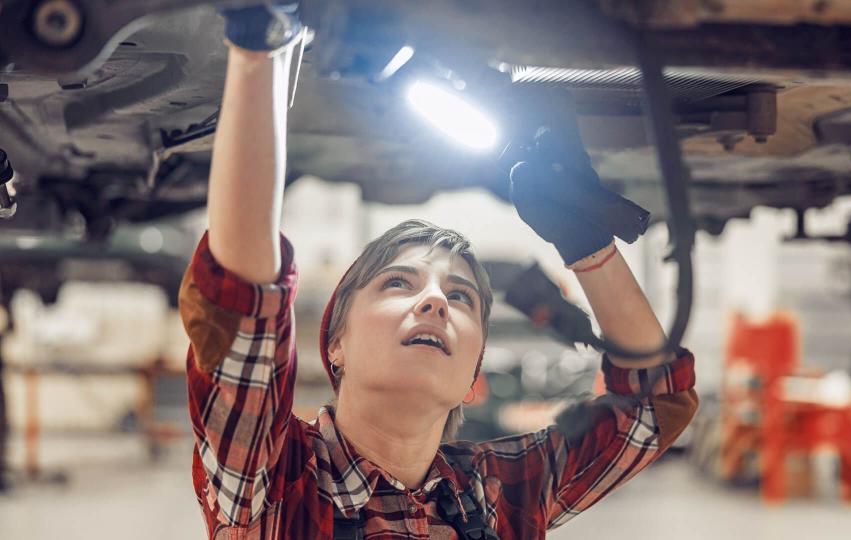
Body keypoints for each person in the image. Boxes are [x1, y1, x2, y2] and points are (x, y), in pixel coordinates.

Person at [181, 4, 698, 538]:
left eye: (462, 297)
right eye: (398, 283)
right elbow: (242, 301)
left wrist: (592, 248)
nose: (435, 302)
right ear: (335, 344)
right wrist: (261, 43)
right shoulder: (273, 483)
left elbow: (656, 405)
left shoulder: (503, 489)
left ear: (474, 371)